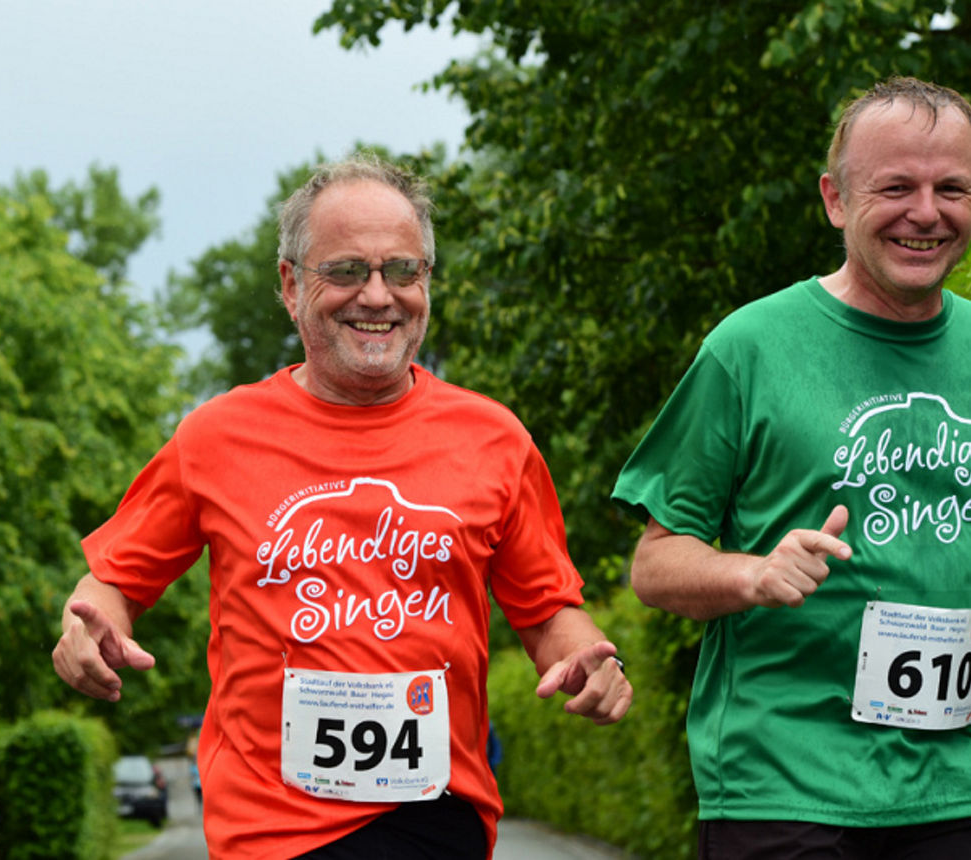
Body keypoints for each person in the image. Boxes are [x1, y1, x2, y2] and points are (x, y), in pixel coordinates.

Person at [53, 153, 633, 859]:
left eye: (403, 271)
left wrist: (586, 660)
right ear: (292, 285)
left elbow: (547, 608)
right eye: (348, 271)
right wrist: (91, 628)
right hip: (267, 832)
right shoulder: (217, 436)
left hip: (433, 819)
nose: (378, 296)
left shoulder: (494, 439)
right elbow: (113, 579)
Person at [612, 76, 971, 859]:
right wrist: (753, 576)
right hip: (785, 783)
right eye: (896, 187)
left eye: (952, 188)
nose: (927, 212)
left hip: (954, 787)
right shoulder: (748, 348)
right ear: (835, 200)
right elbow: (655, 562)